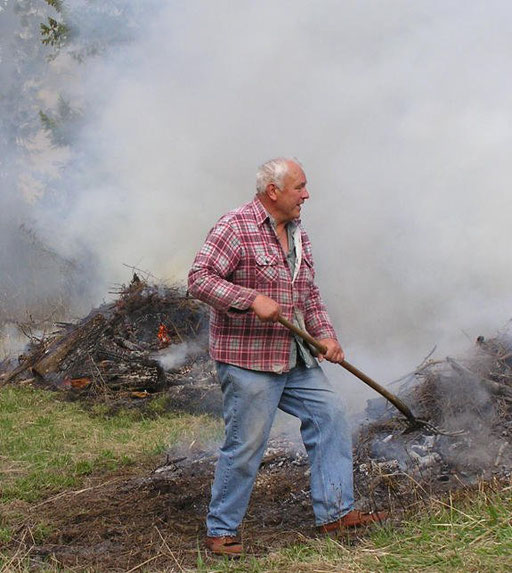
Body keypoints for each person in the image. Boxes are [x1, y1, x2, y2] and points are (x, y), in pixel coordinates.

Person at [188, 158, 386, 556]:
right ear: (273, 191)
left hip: (294, 357)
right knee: (246, 444)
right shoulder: (234, 227)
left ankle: (335, 512)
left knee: (329, 414)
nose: (307, 195)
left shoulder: (297, 234)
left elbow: (308, 294)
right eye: (300, 187)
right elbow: (199, 278)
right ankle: (222, 530)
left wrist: (325, 336)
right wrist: (248, 299)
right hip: (249, 360)